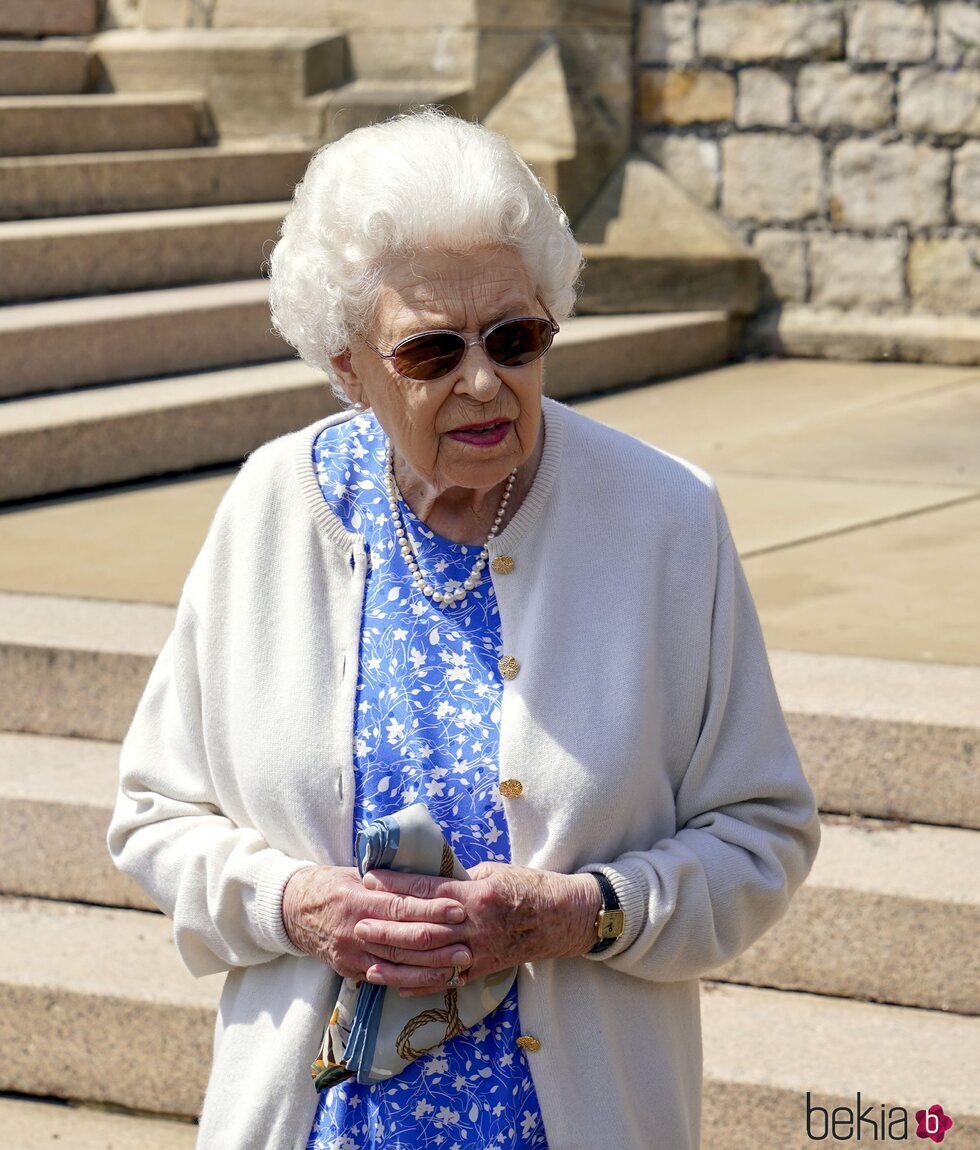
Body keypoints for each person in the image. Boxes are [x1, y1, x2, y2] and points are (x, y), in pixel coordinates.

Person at [107, 109, 820, 1150]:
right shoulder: (271, 505)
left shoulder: (666, 518)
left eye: (515, 338)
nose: (484, 382)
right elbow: (154, 816)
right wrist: (295, 904)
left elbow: (762, 829)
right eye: (430, 351)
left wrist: (586, 912)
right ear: (348, 365)